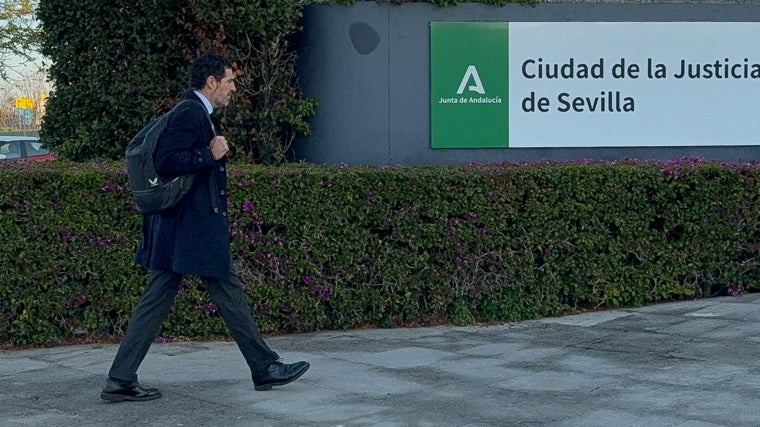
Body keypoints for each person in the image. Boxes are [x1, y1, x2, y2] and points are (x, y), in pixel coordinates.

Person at [101, 53, 309, 402]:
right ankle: (265, 368)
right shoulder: (190, 112)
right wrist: (208, 154)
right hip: (191, 229)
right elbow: (166, 161)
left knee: (160, 300)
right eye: (229, 81)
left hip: (180, 228)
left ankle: (120, 379)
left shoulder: (197, 113)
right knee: (226, 290)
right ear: (210, 82)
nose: (233, 87)